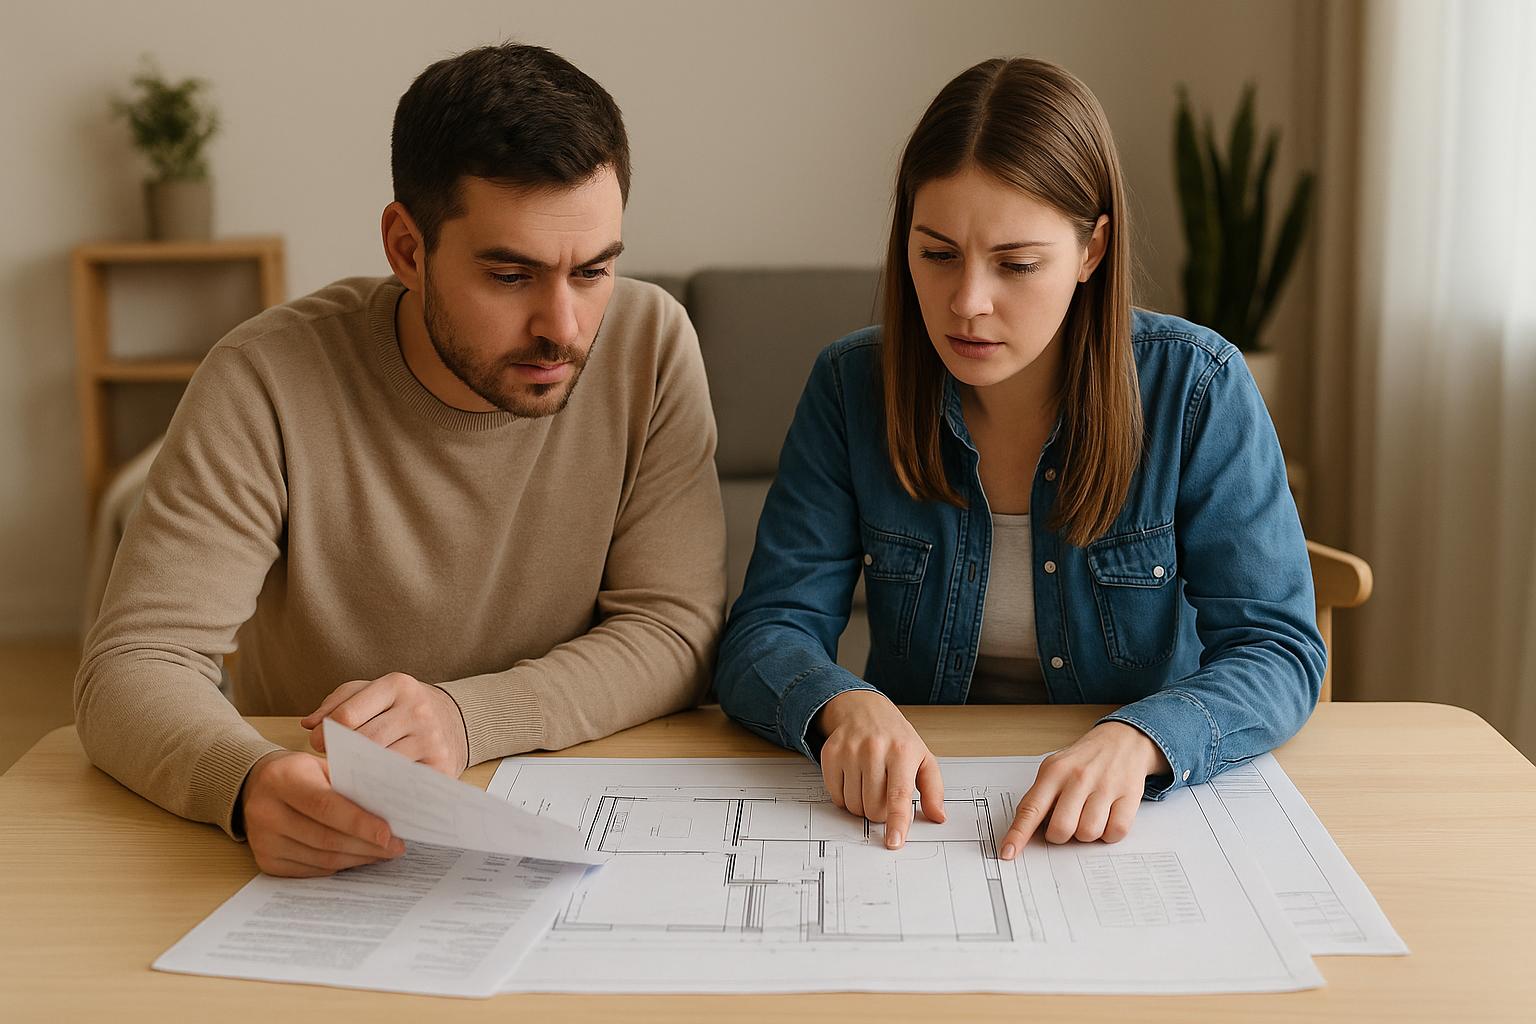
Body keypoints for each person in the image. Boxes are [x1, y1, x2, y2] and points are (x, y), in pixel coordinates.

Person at [75, 43, 726, 877]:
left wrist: (466, 717)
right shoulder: (265, 378)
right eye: (509, 274)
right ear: (407, 248)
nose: (563, 326)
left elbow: (675, 628)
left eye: (593, 270)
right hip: (337, 844)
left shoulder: (652, 344)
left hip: (582, 822)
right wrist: (245, 783)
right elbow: (133, 665)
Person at [715, 57, 1324, 860]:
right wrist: (843, 705)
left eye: (1016, 264)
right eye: (936, 255)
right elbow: (769, 628)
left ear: (1092, 249)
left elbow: (1278, 648)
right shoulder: (849, 386)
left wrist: (1143, 739)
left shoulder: (1196, 386)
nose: (967, 301)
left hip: (1128, 816)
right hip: (916, 821)